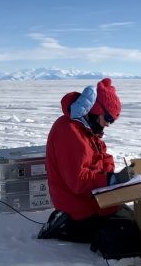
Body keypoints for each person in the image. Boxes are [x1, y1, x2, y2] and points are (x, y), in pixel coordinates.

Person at [38, 78, 134, 248]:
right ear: (96, 110)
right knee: (127, 232)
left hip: (92, 200)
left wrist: (113, 177)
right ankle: (62, 226)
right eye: (108, 118)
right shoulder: (69, 131)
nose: (108, 124)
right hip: (78, 210)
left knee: (133, 220)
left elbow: (103, 159)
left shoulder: (86, 130)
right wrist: (111, 179)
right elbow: (78, 181)